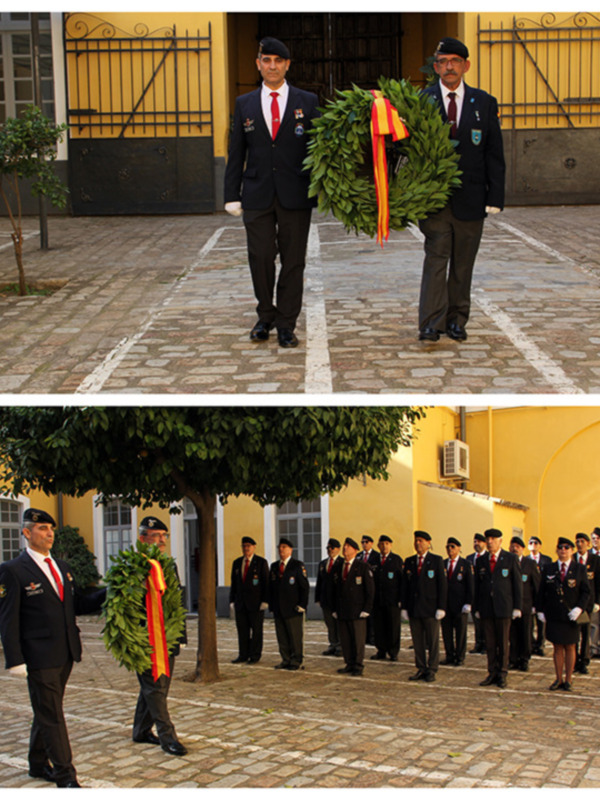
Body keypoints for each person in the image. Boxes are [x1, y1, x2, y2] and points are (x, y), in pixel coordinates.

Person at [223, 36, 320, 349]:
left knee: (293, 261)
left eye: (278, 61)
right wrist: (231, 193)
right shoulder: (244, 103)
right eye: (267, 60)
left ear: (287, 65)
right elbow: (236, 151)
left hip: (296, 193)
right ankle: (265, 315)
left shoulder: (308, 101)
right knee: (261, 256)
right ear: (258, 64)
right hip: (257, 192)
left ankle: (286, 324)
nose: (272, 66)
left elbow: (320, 148)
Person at [0, 508, 105, 787]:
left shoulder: (62, 567)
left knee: (47, 710)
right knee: (53, 715)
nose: (49, 534)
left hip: (66, 651)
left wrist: (109, 592)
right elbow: (7, 618)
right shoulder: (12, 570)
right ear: (26, 532)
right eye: (42, 528)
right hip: (38, 656)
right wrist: (14, 659)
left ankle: (37, 764)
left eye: (51, 529)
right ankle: (66, 776)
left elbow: (77, 604)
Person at [417, 36, 505, 342]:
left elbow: (494, 153)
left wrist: (495, 196)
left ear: (466, 65)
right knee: (436, 259)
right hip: (435, 199)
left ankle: (457, 320)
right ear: (436, 67)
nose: (449, 67)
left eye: (455, 61)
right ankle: (431, 322)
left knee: (463, 263)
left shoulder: (484, 102)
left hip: (472, 197)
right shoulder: (421, 101)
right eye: (443, 62)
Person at [133, 516, 188, 756]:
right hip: (145, 638)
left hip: (167, 636)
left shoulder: (168, 565)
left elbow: (176, 602)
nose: (162, 540)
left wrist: (180, 636)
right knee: (154, 687)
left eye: (164, 535)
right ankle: (168, 737)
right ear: (143, 538)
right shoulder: (133, 566)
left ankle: (140, 730)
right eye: (157, 535)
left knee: (157, 687)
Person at [536, 537, 590, 691]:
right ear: (556, 550)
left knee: (571, 647)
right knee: (557, 647)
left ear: (572, 551)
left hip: (571, 614)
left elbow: (586, 592)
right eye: (560, 547)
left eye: (567, 548)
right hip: (554, 614)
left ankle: (568, 679)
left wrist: (579, 608)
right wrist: (540, 610)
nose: (563, 550)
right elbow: (542, 591)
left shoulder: (579, 569)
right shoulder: (549, 568)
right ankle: (558, 678)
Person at [473, 528, 522, 688]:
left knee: (503, 642)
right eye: (488, 539)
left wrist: (517, 606)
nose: (490, 542)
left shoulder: (510, 558)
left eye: (493, 539)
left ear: (500, 541)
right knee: (490, 643)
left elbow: (517, 584)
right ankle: (492, 672)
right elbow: (477, 586)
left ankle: (502, 673)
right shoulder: (481, 560)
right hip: (487, 607)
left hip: (504, 606)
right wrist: (477, 607)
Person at [402, 530, 447, 682]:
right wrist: (404, 607)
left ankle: (432, 669)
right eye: (416, 540)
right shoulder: (410, 561)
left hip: (431, 608)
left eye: (421, 541)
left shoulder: (436, 560)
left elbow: (442, 585)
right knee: (418, 642)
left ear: (428, 543)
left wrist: (441, 607)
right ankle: (421, 667)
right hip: (414, 608)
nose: (418, 543)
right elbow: (405, 586)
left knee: (433, 641)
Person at [332, 537, 375, 676]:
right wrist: (334, 609)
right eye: (344, 546)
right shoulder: (338, 567)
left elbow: (370, 590)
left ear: (355, 550)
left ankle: (358, 665)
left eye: (348, 546)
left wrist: (366, 609)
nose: (345, 548)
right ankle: (349, 663)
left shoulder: (362, 567)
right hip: (342, 610)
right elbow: (334, 590)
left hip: (357, 610)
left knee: (357, 640)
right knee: (345, 640)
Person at [268, 537, 309, 670]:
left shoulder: (297, 565)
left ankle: (296, 660)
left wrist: (302, 605)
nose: (281, 550)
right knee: (282, 636)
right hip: (278, 608)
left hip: (293, 608)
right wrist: (271, 605)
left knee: (294, 636)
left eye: (284, 547)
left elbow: (304, 587)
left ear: (290, 550)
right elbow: (271, 587)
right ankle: (285, 659)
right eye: (279, 547)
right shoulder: (274, 566)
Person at [229, 536, 269, 664]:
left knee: (256, 631)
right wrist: (232, 600)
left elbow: (266, 583)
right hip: (241, 603)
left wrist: (265, 601)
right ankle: (243, 654)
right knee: (242, 631)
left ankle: (255, 655)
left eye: (248, 546)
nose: (246, 548)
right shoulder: (237, 563)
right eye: (244, 546)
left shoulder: (261, 562)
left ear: (254, 547)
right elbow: (234, 583)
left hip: (256, 603)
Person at [508, 536, 540, 672]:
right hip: (510, 605)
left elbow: (536, 585)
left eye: (518, 547)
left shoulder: (530, 563)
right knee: (512, 634)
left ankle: (524, 659)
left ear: (522, 549)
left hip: (526, 605)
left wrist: (536, 605)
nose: (514, 549)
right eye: (512, 546)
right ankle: (513, 659)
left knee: (526, 633)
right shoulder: (507, 562)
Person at [441, 537, 473, 667]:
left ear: (459, 548)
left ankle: (460, 657)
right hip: (446, 605)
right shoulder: (443, 564)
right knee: (446, 632)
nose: (450, 549)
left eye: (452, 547)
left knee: (460, 633)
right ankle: (449, 655)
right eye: (448, 547)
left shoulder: (465, 564)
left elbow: (470, 585)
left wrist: (469, 602)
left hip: (460, 605)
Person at [371, 535, 403, 661]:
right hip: (378, 600)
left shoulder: (396, 559)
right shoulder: (373, 560)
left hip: (392, 600)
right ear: (378, 546)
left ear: (391, 545)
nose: (384, 546)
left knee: (393, 627)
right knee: (379, 627)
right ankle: (381, 650)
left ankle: (393, 652)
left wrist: (400, 599)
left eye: (387, 543)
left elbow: (401, 581)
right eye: (382, 544)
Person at [572, 533, 600, 674]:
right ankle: (574, 660)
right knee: (574, 634)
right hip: (574, 603)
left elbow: (598, 582)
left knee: (586, 633)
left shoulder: (595, 560)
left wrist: (597, 602)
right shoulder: (572, 558)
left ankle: (584, 660)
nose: (579, 544)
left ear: (588, 544)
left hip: (588, 603)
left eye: (582, 541)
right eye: (577, 541)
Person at [315, 538, 343, 656]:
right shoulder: (323, 564)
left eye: (332, 548)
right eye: (328, 548)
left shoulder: (342, 562)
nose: (330, 550)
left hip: (337, 600)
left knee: (339, 625)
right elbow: (319, 582)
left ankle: (341, 646)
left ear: (338, 549)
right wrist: (317, 598)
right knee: (330, 624)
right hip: (325, 599)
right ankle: (333, 644)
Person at [527, 536, 552, 656]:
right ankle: (531, 644)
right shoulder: (525, 560)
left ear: (540, 546)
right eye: (531, 543)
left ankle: (540, 645)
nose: (533, 545)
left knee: (541, 623)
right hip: (529, 595)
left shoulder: (546, 560)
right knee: (529, 623)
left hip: (542, 594)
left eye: (536, 543)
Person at [466, 533, 487, 653]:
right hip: (474, 594)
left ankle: (486, 645)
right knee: (476, 622)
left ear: (484, 543)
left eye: (479, 542)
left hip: (484, 594)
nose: (476, 544)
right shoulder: (469, 558)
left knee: (485, 622)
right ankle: (478, 643)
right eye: (475, 542)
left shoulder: (487, 557)